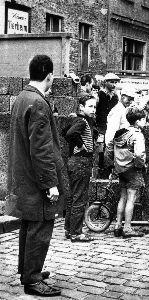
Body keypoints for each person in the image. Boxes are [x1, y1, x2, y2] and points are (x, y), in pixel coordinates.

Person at [7, 55, 64, 297]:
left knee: (29, 227)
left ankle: (28, 271)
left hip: (25, 178)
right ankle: (32, 279)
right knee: (40, 229)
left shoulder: (22, 97)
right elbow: (41, 150)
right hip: (37, 180)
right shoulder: (39, 103)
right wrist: (50, 184)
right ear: (49, 76)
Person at [105, 107, 147, 238]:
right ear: (139, 121)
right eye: (144, 119)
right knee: (131, 198)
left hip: (121, 170)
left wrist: (115, 163)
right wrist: (140, 165)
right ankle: (128, 228)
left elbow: (109, 148)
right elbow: (139, 154)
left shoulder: (120, 133)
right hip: (133, 170)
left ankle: (118, 226)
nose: (145, 122)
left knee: (122, 197)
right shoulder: (137, 134)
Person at [63, 94, 97, 242]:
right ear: (81, 107)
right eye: (90, 106)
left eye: (95, 106)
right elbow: (70, 133)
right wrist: (81, 145)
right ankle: (76, 233)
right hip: (81, 162)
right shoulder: (82, 121)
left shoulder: (78, 119)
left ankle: (69, 229)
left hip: (74, 162)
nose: (93, 109)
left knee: (72, 197)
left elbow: (64, 132)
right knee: (79, 198)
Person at [95, 73, 120, 174]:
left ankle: (108, 168)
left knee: (110, 146)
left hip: (111, 126)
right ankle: (100, 167)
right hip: (100, 126)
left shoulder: (115, 97)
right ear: (105, 82)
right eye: (111, 82)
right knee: (100, 147)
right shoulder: (100, 95)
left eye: (115, 82)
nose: (114, 84)